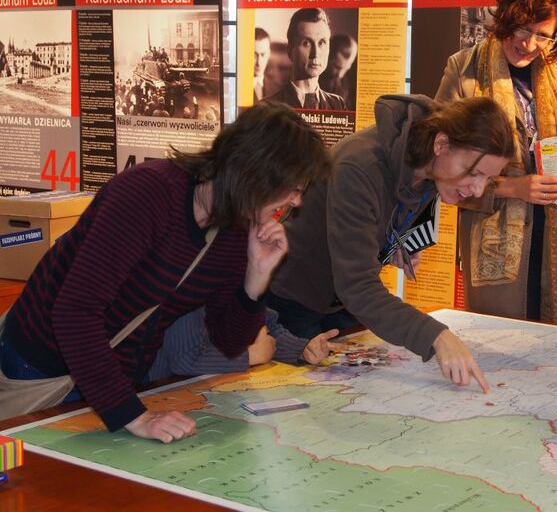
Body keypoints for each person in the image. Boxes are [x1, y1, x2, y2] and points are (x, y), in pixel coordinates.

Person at [0, 101, 328, 443]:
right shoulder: (147, 193)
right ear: (258, 172)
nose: (296, 201)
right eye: (294, 188)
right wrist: (133, 416)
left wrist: (256, 278)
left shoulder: (234, 230)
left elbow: (229, 341)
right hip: (45, 367)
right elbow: (75, 311)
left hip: (117, 378)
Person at [267, 95, 514, 392]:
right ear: (441, 144)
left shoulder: (428, 166)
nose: (477, 189)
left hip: (342, 306)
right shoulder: (359, 165)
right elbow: (358, 286)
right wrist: (436, 337)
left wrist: (392, 245)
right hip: (293, 302)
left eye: (488, 179)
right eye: (473, 172)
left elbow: (383, 217)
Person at [434, 0, 557, 328]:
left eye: (543, 35)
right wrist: (513, 188)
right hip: (500, 246)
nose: (529, 45)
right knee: (506, 344)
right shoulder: (464, 71)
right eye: (522, 29)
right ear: (506, 16)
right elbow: (440, 168)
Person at [147, 305, 345, 381]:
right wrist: (249, 355)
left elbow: (266, 326)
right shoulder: (190, 271)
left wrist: (301, 350)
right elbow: (184, 359)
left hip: (208, 386)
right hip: (152, 391)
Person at [268, 8, 346, 110]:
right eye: (306, 43)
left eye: (322, 42)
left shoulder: (338, 104)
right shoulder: (269, 107)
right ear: (290, 51)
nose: (316, 54)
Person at [319, 34, 358, 110]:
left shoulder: (349, 82)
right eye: (336, 67)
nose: (340, 74)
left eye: (346, 68)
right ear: (327, 57)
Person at [253, 27, 271, 102]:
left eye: (263, 54)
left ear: (269, 53)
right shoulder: (237, 87)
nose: (259, 63)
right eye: (254, 55)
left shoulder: (278, 89)